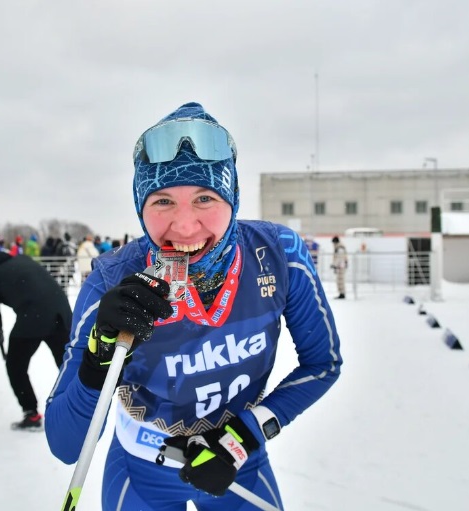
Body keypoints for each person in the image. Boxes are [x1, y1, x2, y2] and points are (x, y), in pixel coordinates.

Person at [45, 102, 342, 510]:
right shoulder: (112, 280)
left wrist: (242, 438)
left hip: (238, 464)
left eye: (205, 198)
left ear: (233, 199)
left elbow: (322, 364)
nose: (185, 227)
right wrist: (98, 358)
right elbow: (65, 445)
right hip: (142, 470)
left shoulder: (277, 254)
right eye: (163, 201)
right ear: (139, 206)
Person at [0, 252, 73, 430]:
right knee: (67, 365)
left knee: (15, 367)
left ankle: (31, 414)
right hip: (61, 312)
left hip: (33, 317)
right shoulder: (22, 260)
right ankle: (78, 409)